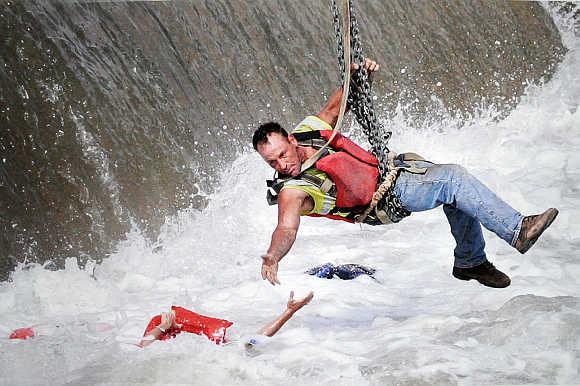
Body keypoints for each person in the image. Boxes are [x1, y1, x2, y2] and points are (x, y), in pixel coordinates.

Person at [252, 58, 558, 289]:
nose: (282, 165)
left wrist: (359, 78)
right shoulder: (293, 191)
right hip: (384, 201)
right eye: (272, 163)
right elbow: (286, 229)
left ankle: (470, 261)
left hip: (395, 171)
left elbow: (335, 106)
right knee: (452, 179)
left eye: (281, 155)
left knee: (456, 195)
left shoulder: (308, 131)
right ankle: (517, 230)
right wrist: (274, 256)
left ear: (291, 139)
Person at [139, 291, 314, 347]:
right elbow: (255, 340)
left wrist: (289, 312)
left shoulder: (215, 342)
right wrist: (289, 312)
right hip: (170, 329)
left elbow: (143, 347)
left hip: (168, 327)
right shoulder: (217, 343)